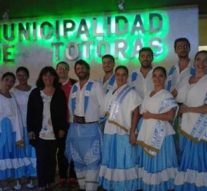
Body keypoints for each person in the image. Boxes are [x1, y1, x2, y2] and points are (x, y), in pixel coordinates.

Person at [99, 65, 142, 191]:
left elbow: (136, 113)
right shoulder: (110, 92)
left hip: (123, 132)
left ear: (127, 77)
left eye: (123, 75)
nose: (121, 77)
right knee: (111, 158)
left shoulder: (131, 92)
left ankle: (126, 186)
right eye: (118, 74)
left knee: (124, 158)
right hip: (110, 131)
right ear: (115, 76)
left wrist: (133, 132)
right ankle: (113, 184)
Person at [65, 59, 104, 191]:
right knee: (78, 160)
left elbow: (103, 107)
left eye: (82, 68)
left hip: (91, 129)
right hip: (75, 130)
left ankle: (91, 188)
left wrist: (94, 120)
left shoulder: (96, 85)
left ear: (88, 70)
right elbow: (70, 107)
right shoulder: (74, 87)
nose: (80, 70)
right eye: (78, 68)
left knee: (92, 161)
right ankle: (82, 187)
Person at [137, 66, 178, 191]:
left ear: (165, 78)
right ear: (152, 78)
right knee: (150, 163)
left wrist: (151, 115)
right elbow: (142, 113)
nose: (157, 78)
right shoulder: (148, 94)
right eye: (155, 75)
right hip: (147, 132)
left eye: (161, 76)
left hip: (160, 135)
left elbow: (170, 116)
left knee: (160, 163)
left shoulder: (166, 95)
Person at [27, 66, 68, 190]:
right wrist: (30, 130)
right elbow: (30, 113)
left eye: (50, 75)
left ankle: (50, 181)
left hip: (54, 132)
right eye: (45, 75)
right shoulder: (35, 93)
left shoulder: (59, 92)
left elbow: (63, 112)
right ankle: (42, 183)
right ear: (41, 77)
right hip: (40, 132)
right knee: (41, 159)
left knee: (52, 159)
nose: (48, 77)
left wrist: (62, 128)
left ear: (54, 77)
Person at [174, 50, 207, 191]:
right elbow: (178, 98)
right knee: (185, 158)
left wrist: (188, 110)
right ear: (194, 62)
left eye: (205, 60)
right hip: (185, 126)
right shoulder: (187, 80)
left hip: (200, 129)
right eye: (198, 59)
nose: (201, 63)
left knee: (199, 160)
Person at [0, 72, 34, 191]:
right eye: (7, 80)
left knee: (15, 156)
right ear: (2, 80)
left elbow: (17, 116)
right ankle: (2, 183)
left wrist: (19, 134)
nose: (9, 83)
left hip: (15, 134)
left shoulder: (13, 96)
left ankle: (15, 180)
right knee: (3, 157)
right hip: (2, 134)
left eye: (11, 81)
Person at [13, 67, 36, 190]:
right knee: (19, 153)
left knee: (31, 152)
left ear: (28, 76)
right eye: (19, 75)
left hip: (31, 127)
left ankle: (31, 179)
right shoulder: (13, 92)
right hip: (19, 127)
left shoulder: (34, 90)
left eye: (24, 75)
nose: (21, 78)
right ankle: (19, 180)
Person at [56, 61, 77, 187]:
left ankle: (73, 175)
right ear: (57, 70)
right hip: (60, 124)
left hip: (74, 122)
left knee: (74, 150)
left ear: (68, 70)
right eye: (59, 68)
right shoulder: (54, 85)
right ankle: (63, 175)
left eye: (64, 68)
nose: (62, 70)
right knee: (62, 150)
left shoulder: (75, 83)